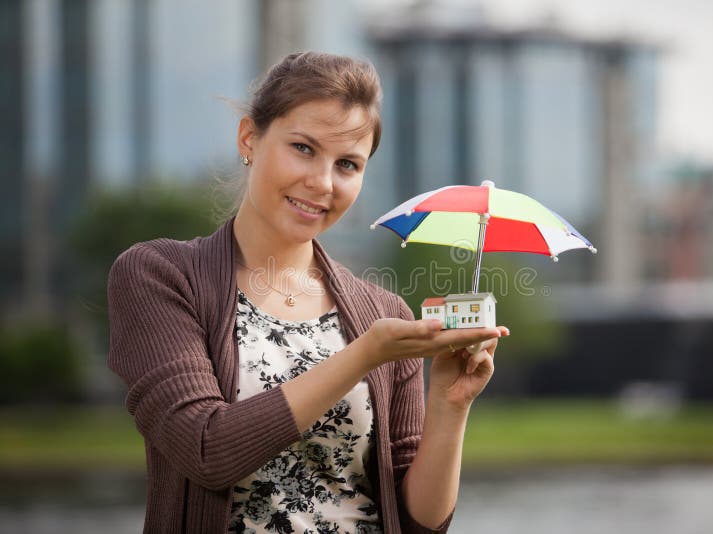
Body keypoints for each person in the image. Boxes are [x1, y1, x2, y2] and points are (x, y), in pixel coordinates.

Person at [107, 51, 510, 534]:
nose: (322, 183)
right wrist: (364, 355)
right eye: (303, 148)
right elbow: (206, 451)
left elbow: (416, 524)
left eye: (347, 164)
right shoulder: (161, 275)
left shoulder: (382, 312)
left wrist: (449, 404)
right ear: (249, 138)